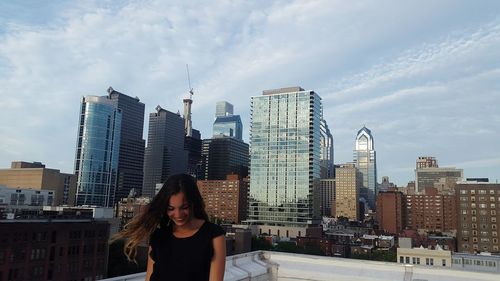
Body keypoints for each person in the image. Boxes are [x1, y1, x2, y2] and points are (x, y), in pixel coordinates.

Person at [113, 174, 226, 281]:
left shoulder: (213, 235)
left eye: (184, 207)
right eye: (171, 209)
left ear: (194, 203)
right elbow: (150, 277)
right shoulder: (158, 236)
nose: (178, 214)